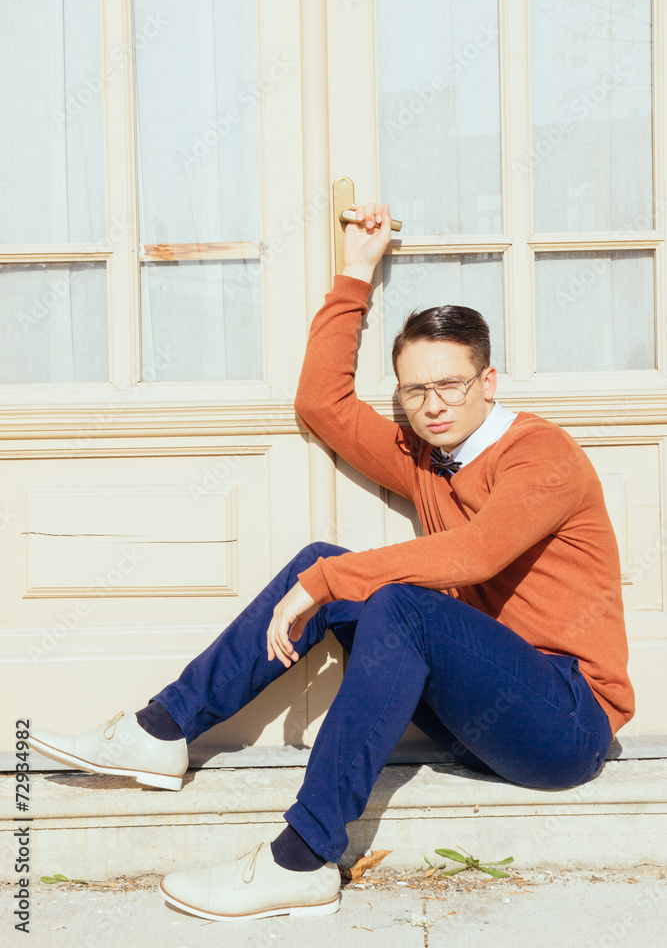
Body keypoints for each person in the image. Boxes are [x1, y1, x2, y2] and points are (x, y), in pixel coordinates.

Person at [28, 201, 634, 923]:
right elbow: (321, 402)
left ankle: (302, 859)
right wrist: (356, 271)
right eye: (415, 390)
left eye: (451, 385)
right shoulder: (425, 456)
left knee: (381, 593)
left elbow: (476, 552)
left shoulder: (542, 456)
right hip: (480, 721)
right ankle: (161, 732)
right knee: (328, 562)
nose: (433, 405)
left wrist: (325, 584)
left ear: (488, 382)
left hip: (562, 726)